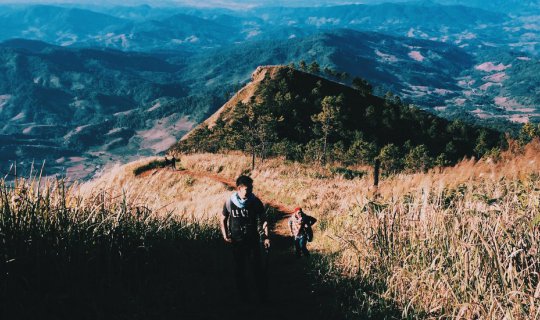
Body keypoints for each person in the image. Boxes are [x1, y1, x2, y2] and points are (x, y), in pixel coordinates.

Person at [220, 175, 270, 302]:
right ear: (239, 188)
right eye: (248, 189)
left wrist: (266, 237)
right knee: (240, 269)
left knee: (257, 269)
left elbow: (264, 220)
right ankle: (244, 297)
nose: (251, 191)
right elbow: (223, 219)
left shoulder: (255, 201)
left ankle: (262, 295)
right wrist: (225, 235)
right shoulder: (229, 202)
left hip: (252, 240)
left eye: (251, 188)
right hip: (237, 242)